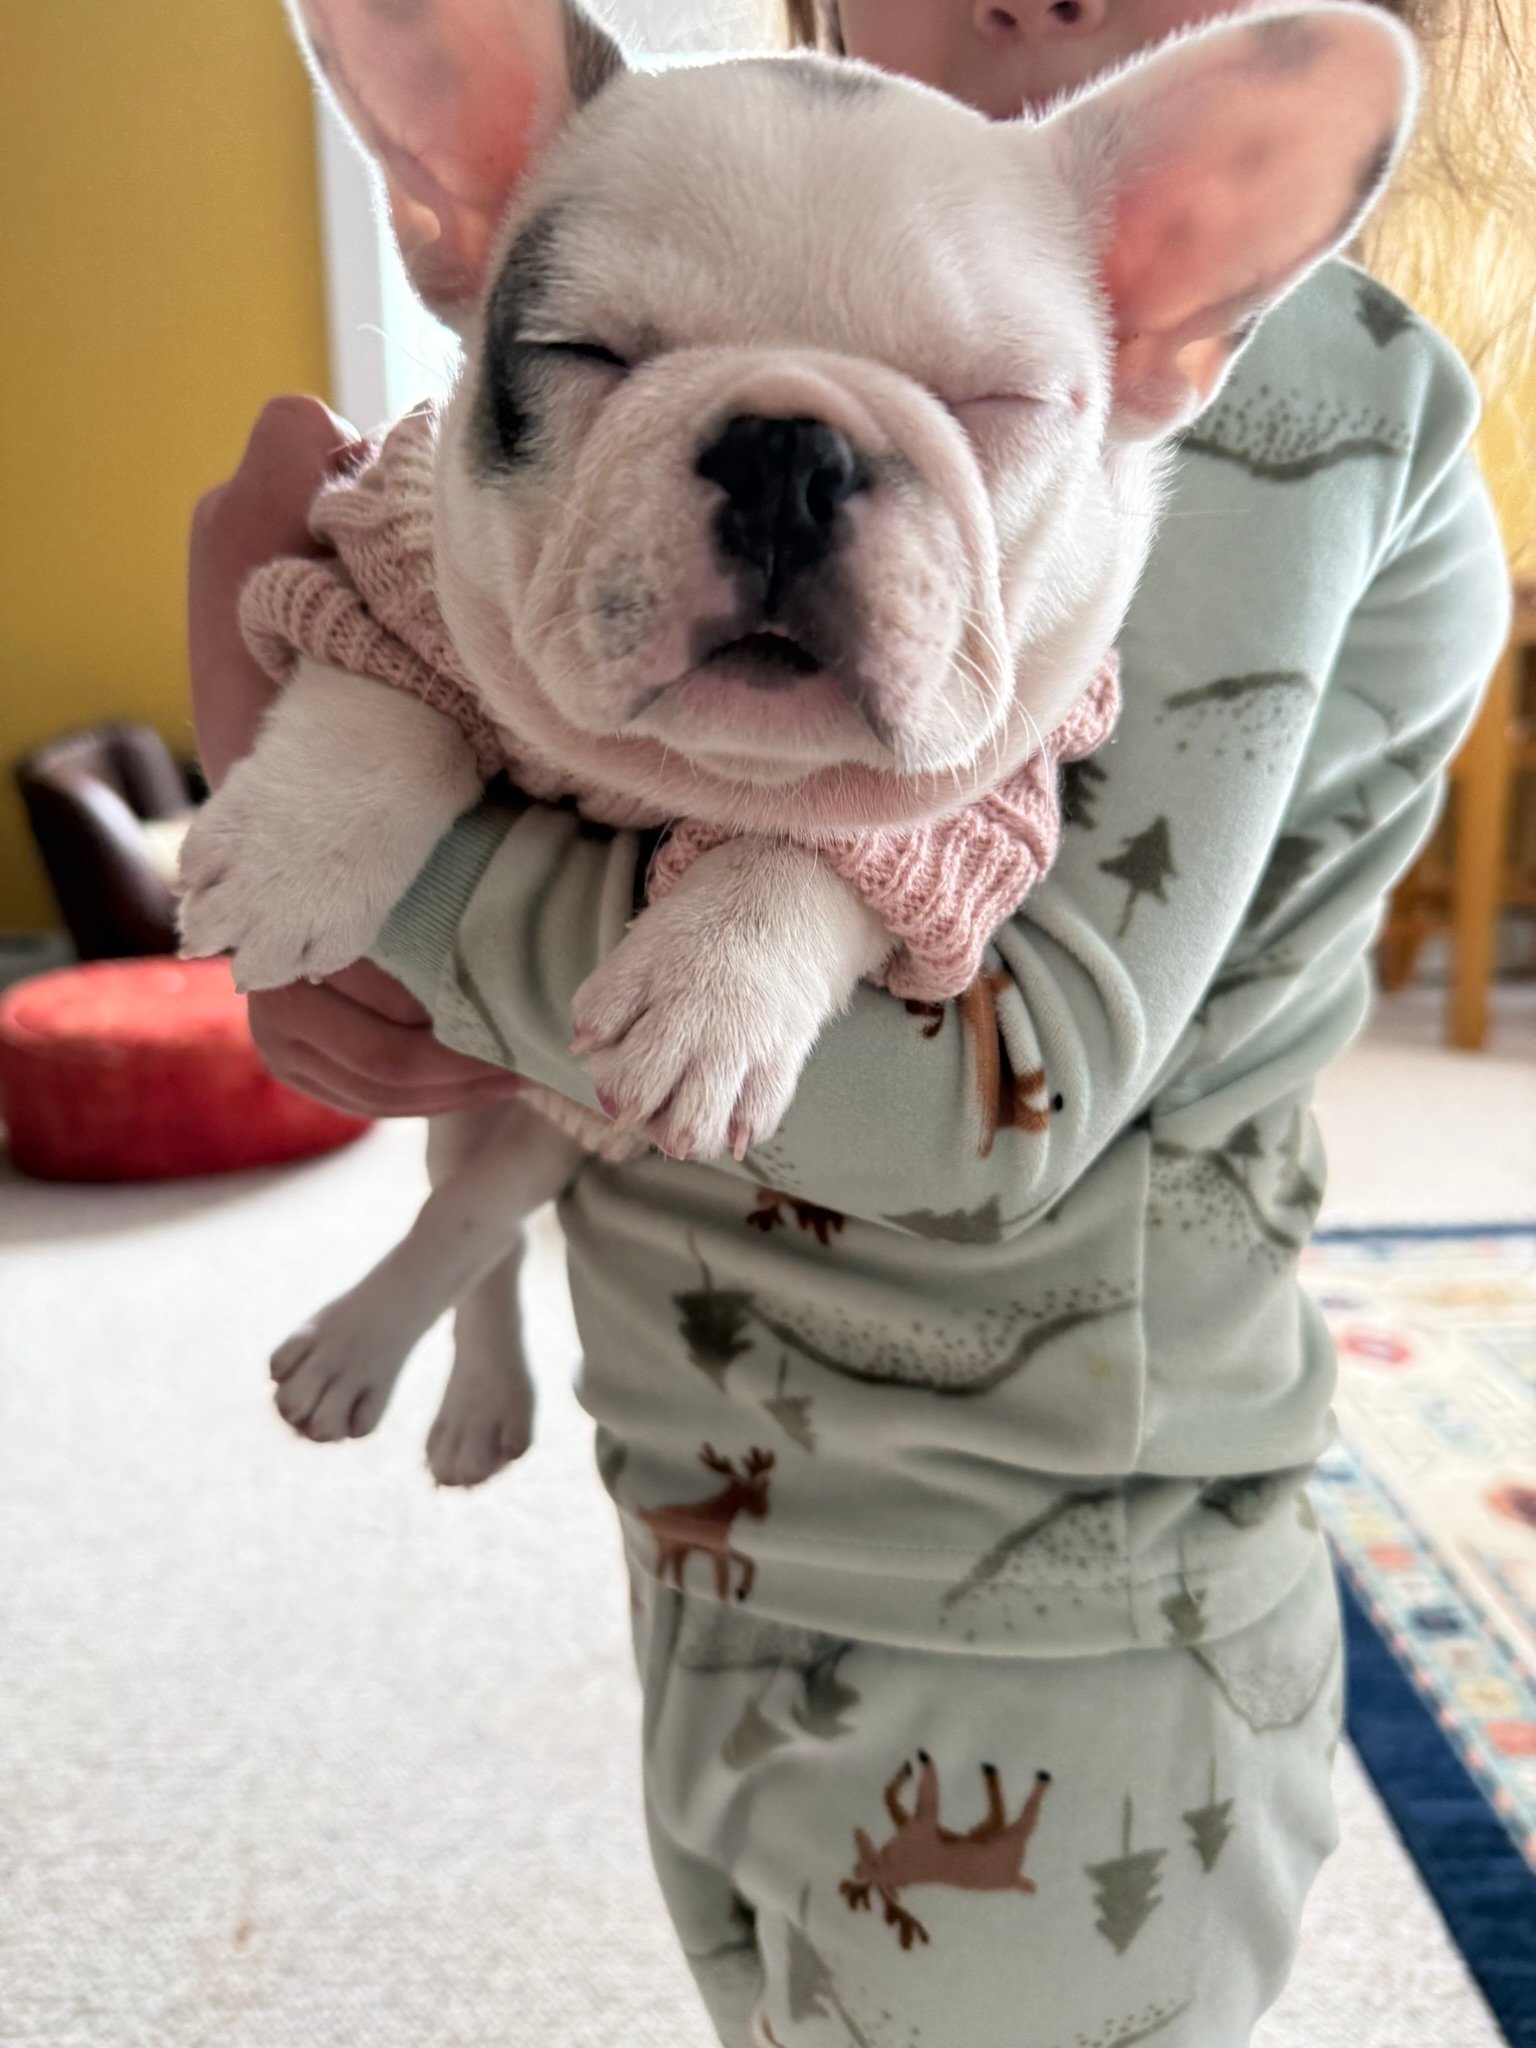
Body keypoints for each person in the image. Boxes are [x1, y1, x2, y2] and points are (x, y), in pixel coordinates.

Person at [188, 3, 1527, 2042]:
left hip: (1065, 1595)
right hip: (710, 1497)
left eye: (983, 404)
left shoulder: (1283, 388)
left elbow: (978, 1106)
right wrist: (302, 694)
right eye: (607, 358)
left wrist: (403, 885)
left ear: (1170, 309)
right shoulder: (648, 178)